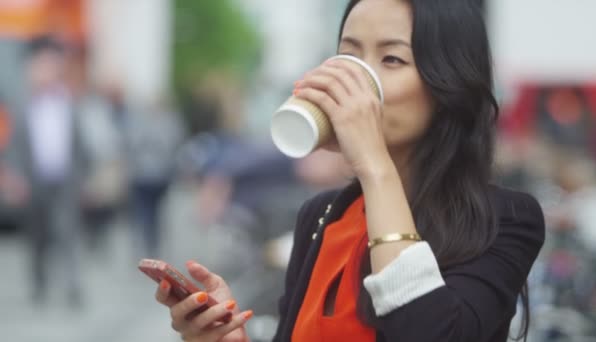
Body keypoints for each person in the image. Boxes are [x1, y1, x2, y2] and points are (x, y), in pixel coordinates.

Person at [153, 0, 546, 341]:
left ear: (448, 84)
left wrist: (374, 164)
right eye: (349, 56)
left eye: (391, 58)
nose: (356, 79)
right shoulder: (323, 216)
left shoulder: (506, 220)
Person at [6, 35, 88, 307]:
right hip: (35, 180)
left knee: (68, 233)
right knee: (38, 238)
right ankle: (39, 284)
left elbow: (81, 143)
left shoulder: (70, 102)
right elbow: (14, 145)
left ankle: (73, 286)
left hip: (65, 181)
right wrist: (15, 176)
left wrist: (83, 177)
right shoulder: (24, 104)